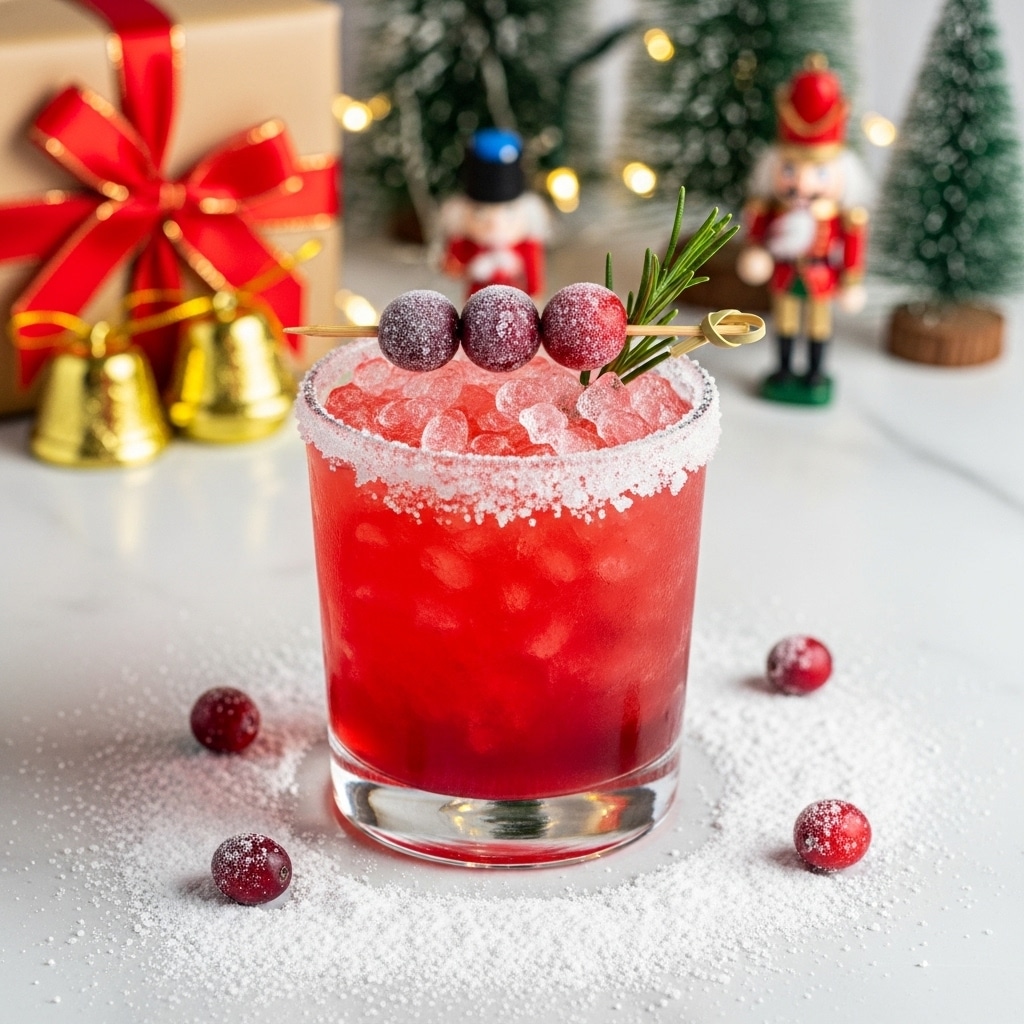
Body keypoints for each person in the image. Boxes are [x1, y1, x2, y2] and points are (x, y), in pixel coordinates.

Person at [737, 54, 870, 405]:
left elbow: (853, 246)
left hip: (821, 278)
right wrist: (757, 253)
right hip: (783, 275)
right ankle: (782, 368)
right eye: (791, 170)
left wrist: (851, 279)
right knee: (785, 323)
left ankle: (814, 371)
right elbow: (757, 237)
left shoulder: (842, 215)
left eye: (819, 172)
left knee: (818, 326)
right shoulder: (769, 209)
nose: (803, 182)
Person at [439, 128, 549, 299]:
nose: (494, 224)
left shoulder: (527, 246)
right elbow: (450, 267)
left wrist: (535, 295)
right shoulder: (465, 243)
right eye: (480, 213)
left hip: (519, 308)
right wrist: (471, 269)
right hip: (474, 307)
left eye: (508, 212)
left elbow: (534, 279)